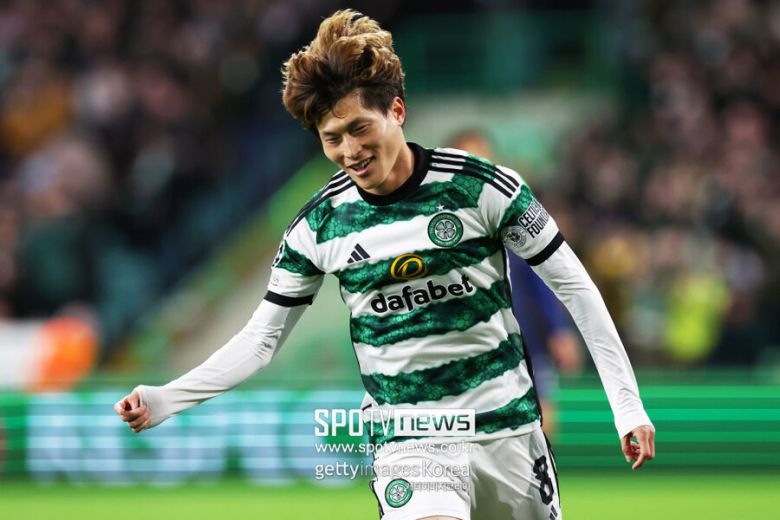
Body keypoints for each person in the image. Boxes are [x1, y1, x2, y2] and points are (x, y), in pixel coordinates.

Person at [115, 10, 655, 520]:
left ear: (396, 110)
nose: (349, 150)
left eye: (358, 128)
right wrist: (167, 398)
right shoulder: (317, 227)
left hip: (508, 429)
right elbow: (260, 341)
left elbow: (576, 288)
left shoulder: (482, 187)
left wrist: (627, 405)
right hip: (410, 439)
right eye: (331, 138)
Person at [447, 130, 583, 440]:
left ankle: (538, 468)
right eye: (468, 161)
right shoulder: (440, 224)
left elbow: (541, 275)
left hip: (525, 336)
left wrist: (559, 330)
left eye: (483, 160)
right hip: (469, 341)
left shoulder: (513, 211)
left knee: (543, 419)